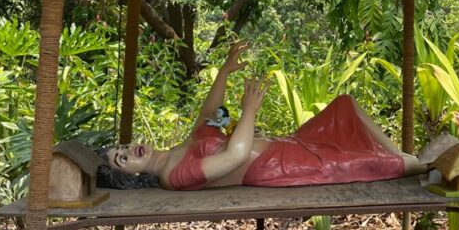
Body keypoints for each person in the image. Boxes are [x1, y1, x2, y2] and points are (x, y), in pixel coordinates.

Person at [103, 42, 425, 190]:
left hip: (290, 144)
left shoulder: (176, 151)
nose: (129, 150)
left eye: (123, 147)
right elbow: (236, 155)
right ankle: (417, 164)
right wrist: (249, 111)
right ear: (132, 175)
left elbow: (208, 116)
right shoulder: (174, 175)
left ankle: (401, 154)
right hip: (281, 165)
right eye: (123, 159)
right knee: (378, 165)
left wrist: (225, 70)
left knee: (344, 104)